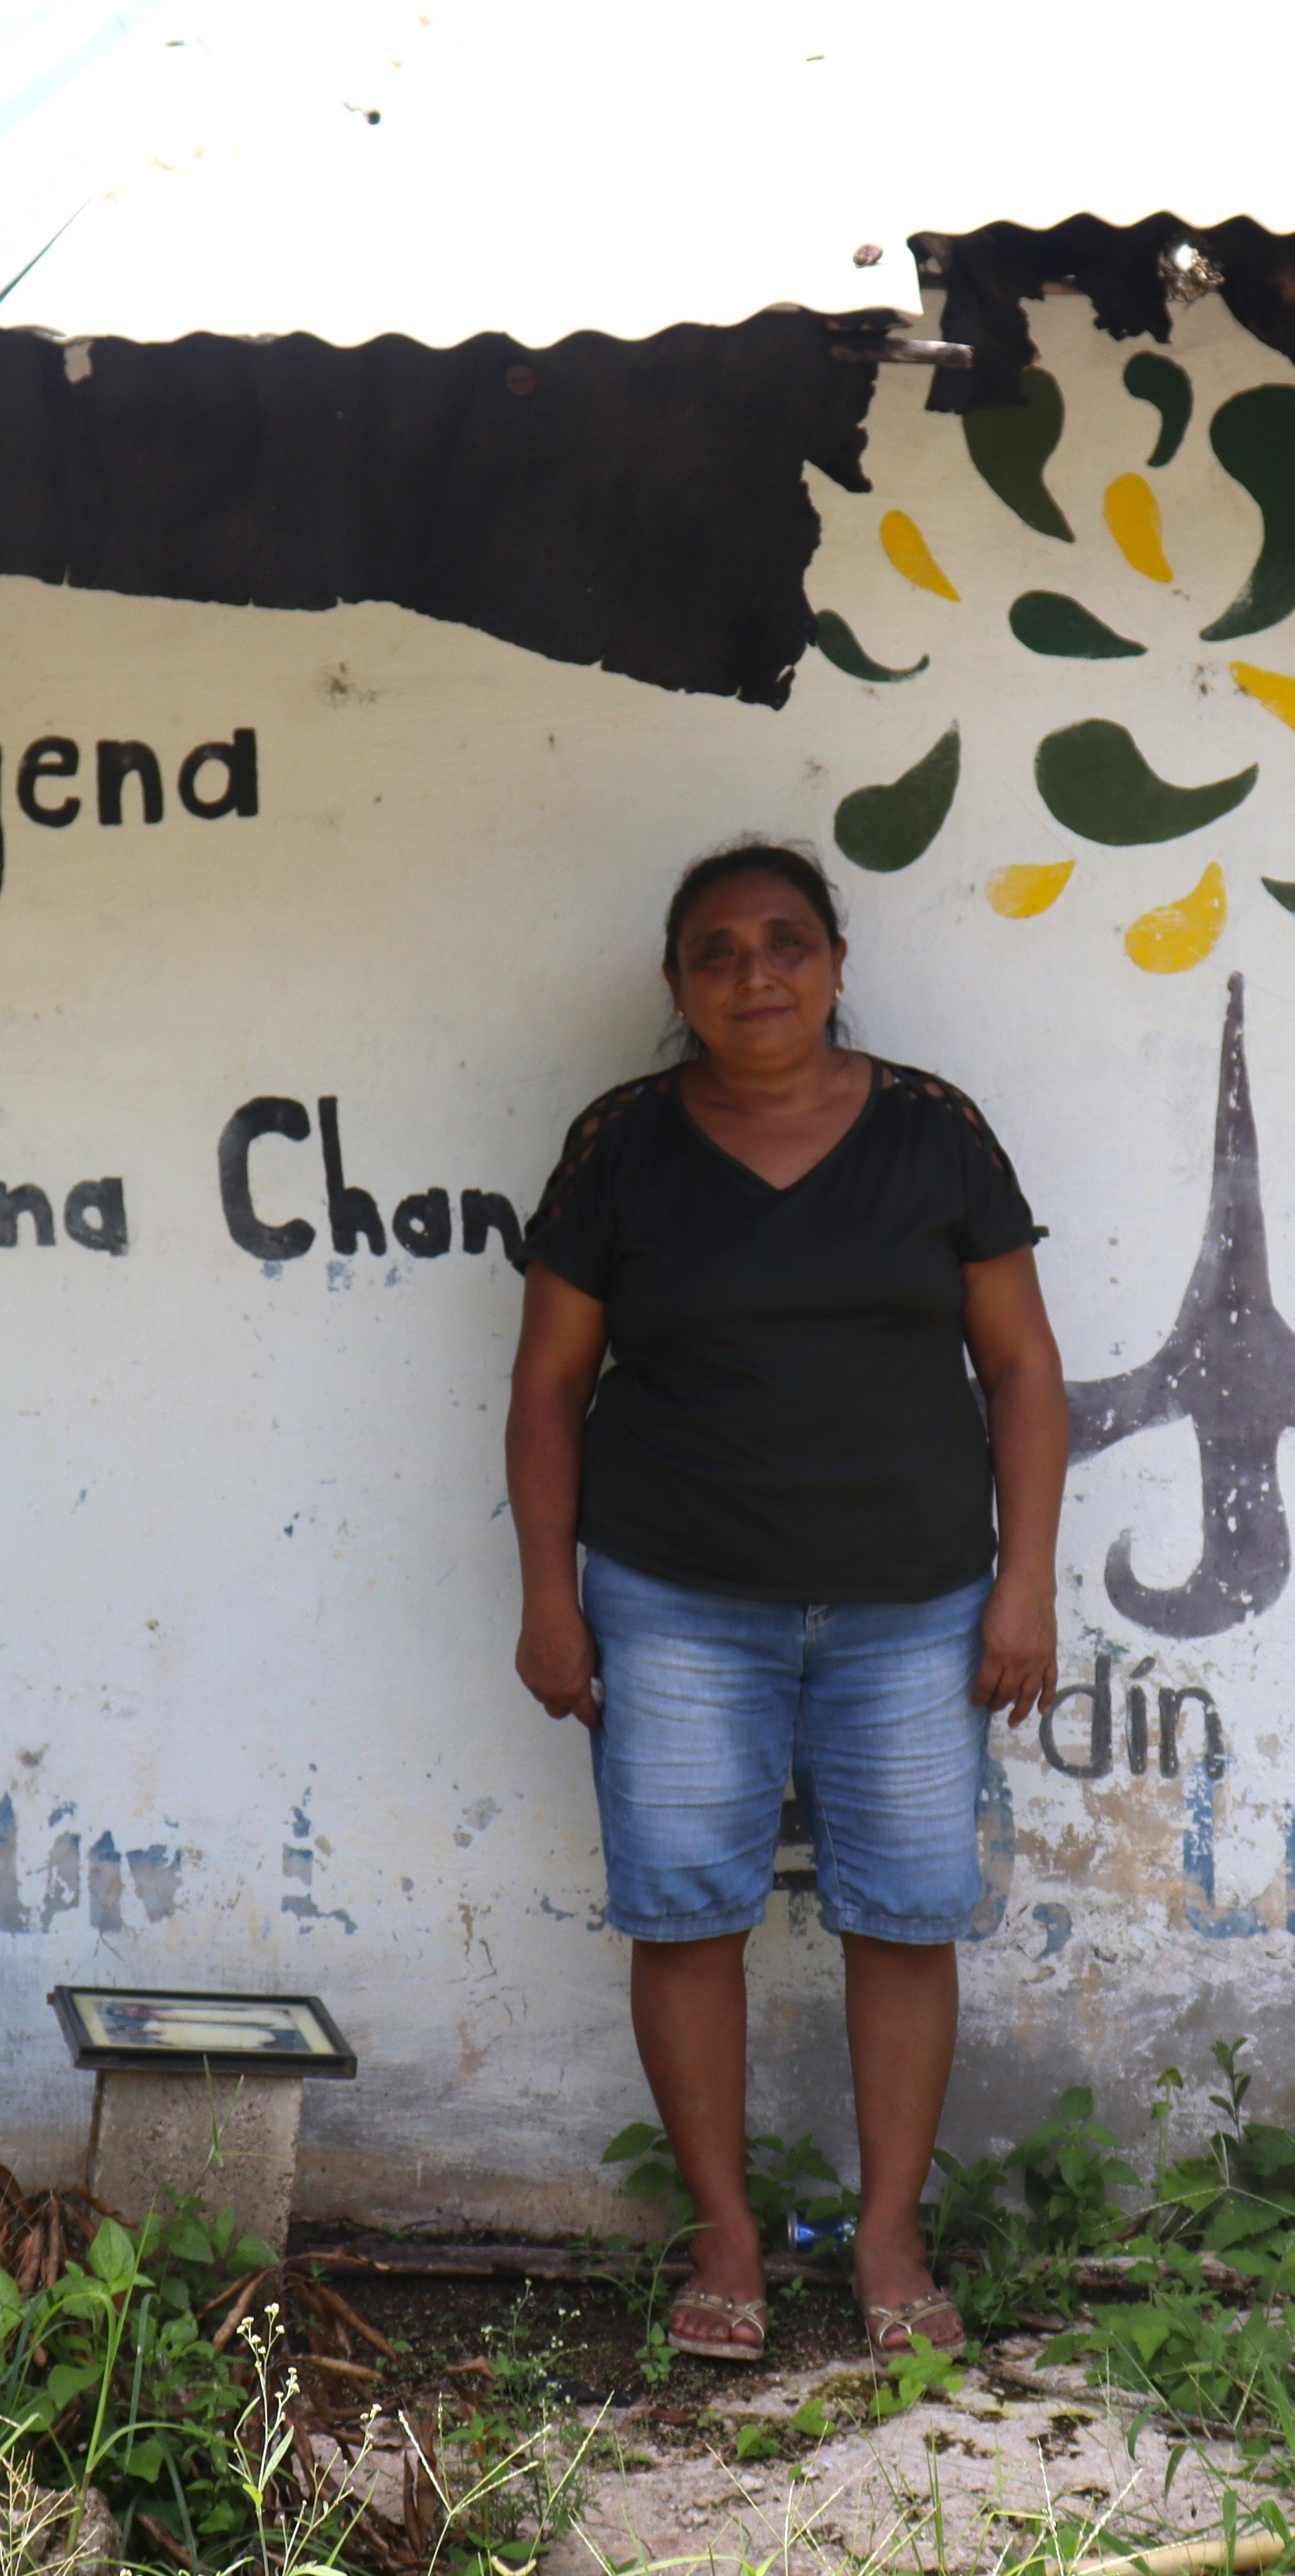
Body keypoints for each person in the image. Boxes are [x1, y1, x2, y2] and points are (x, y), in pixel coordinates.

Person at [506, 841, 1067, 2365]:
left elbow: (1020, 1366)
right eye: (718, 951)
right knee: (688, 1912)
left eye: (786, 942)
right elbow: (551, 1392)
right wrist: (548, 1602)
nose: (757, 974)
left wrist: (1026, 1583)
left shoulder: (933, 1133)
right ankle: (728, 2237)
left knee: (904, 1915)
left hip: (914, 1603)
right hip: (677, 1600)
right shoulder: (621, 1143)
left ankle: (889, 2238)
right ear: (678, 983)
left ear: (834, 959)